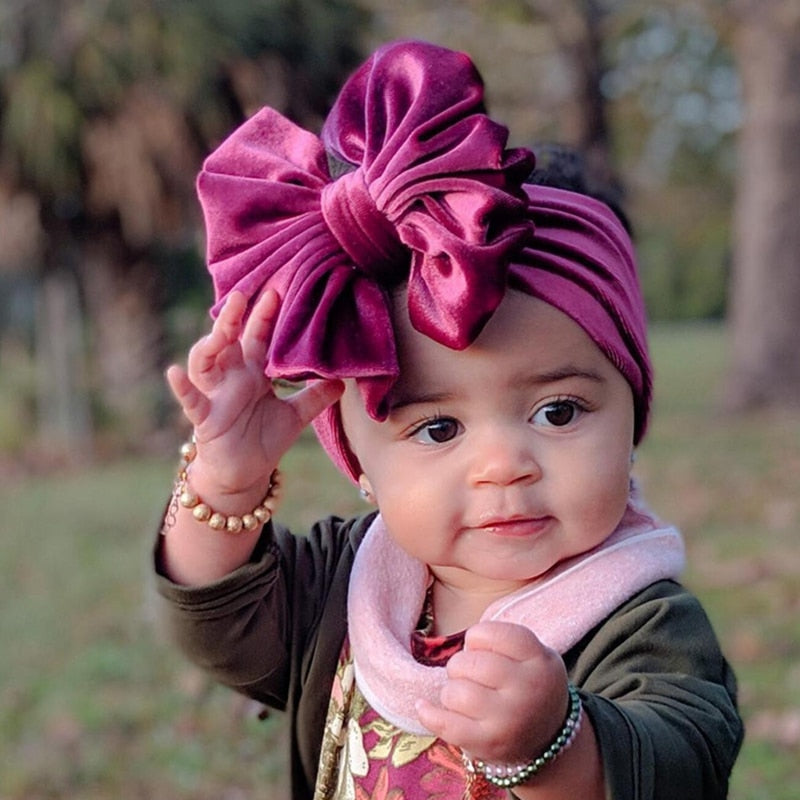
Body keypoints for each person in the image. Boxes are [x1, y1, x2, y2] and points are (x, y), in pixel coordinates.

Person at [154, 40, 743, 799]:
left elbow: (683, 762)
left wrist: (557, 742)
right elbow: (218, 626)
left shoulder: (640, 618)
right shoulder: (347, 585)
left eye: (558, 411)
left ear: (632, 415)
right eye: (437, 428)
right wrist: (225, 483)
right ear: (360, 463)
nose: (505, 464)